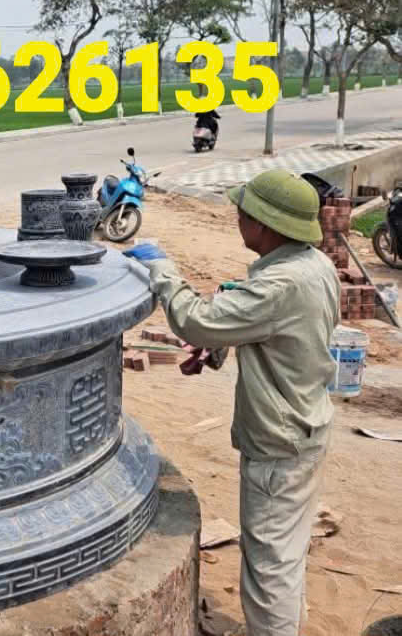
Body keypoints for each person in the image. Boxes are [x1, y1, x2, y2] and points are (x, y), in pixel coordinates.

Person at [124, 169, 340, 636]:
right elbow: (274, 328)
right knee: (286, 554)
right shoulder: (313, 266)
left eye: (243, 213)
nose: (237, 219)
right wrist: (220, 347)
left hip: (278, 447)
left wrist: (163, 269)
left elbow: (196, 320)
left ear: (263, 224)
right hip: (306, 429)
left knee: (269, 572)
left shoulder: (279, 285)